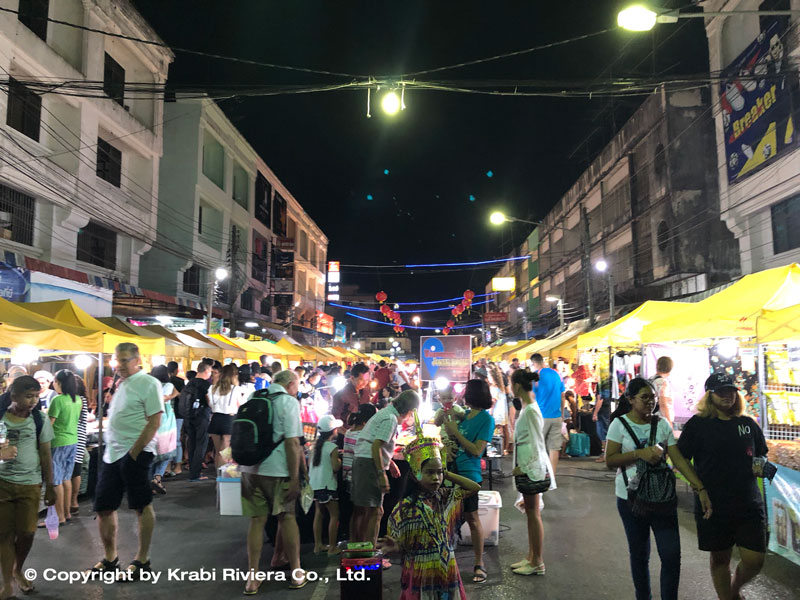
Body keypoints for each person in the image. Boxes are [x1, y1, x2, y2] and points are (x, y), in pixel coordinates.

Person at [606, 377, 711, 600]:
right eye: (644, 398)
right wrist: (639, 453)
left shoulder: (661, 424)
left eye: (653, 398)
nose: (650, 402)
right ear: (630, 399)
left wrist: (700, 488)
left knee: (672, 555)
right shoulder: (619, 425)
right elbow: (610, 460)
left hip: (662, 498)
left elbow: (679, 460)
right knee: (640, 554)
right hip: (630, 499)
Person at [677, 374, 768, 600]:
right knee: (720, 558)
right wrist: (699, 488)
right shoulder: (697, 425)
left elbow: (761, 454)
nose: (727, 395)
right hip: (713, 504)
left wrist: (761, 466)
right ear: (709, 395)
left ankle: (735, 588)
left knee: (754, 560)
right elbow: (680, 459)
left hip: (748, 503)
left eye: (731, 391)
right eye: (721, 391)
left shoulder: (747, 424)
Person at [90, 343, 163, 578]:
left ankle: (142, 559)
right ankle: (110, 558)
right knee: (103, 506)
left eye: (124, 360)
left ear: (137, 360)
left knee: (141, 504)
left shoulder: (149, 383)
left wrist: (135, 453)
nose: (119, 365)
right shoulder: (121, 383)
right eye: (116, 360)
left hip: (135, 452)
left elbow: (154, 421)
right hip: (112, 452)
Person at [378, 438, 480, 600]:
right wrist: (396, 547)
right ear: (415, 475)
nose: (436, 478)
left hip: (447, 571)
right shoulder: (403, 509)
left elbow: (474, 487)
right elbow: (400, 547)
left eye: (439, 473)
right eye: (429, 472)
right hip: (420, 574)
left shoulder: (444, 497)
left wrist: (445, 472)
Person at [239, 370, 306, 593]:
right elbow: (293, 443)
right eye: (296, 387)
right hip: (276, 470)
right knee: (287, 517)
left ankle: (252, 579)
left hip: (249, 469)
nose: (297, 391)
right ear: (289, 384)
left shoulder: (254, 397)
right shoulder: (288, 402)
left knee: (256, 521)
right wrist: (296, 478)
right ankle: (296, 573)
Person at [0, 376, 56, 599]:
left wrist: (50, 486)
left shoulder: (39, 420)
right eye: (28, 396)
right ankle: (7, 584)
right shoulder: (1, 418)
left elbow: (45, 453)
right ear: (14, 396)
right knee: (3, 535)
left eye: (36, 396)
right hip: (2, 483)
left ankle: (18, 569)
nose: (33, 400)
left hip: (30, 484)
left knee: (27, 532)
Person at [351, 391, 419, 556]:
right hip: (369, 463)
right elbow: (376, 446)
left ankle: (359, 551)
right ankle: (369, 553)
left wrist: (391, 462)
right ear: (409, 409)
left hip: (364, 460)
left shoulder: (385, 413)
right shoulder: (390, 419)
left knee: (365, 509)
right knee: (375, 511)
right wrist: (382, 474)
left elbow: (376, 443)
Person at [442, 379, 495, 584]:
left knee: (472, 518)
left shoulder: (485, 419)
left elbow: (476, 450)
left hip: (469, 475)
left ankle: (479, 563)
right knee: (449, 519)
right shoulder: (463, 415)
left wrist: (455, 432)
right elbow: (455, 441)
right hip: (452, 471)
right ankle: (446, 561)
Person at [510, 369, 556, 576]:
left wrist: (527, 468)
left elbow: (537, 444)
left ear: (517, 386)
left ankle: (537, 561)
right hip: (529, 467)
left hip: (532, 469)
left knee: (533, 514)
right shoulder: (528, 408)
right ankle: (531, 557)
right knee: (531, 514)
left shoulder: (529, 411)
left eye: (512, 384)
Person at [43, 369, 81, 526]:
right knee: (66, 478)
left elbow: (49, 425)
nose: (53, 384)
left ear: (60, 383)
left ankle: (59, 517)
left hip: (58, 443)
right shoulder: (77, 399)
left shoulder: (57, 401)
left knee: (56, 481)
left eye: (55, 381)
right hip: (72, 441)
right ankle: (66, 513)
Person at [342, 403, 377, 541]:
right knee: (363, 512)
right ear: (366, 422)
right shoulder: (361, 436)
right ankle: (360, 542)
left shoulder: (349, 432)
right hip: (357, 476)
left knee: (357, 511)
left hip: (349, 477)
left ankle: (353, 541)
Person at [310, 414, 343, 556]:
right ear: (333, 431)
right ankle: (332, 547)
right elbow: (335, 467)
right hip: (327, 486)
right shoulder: (332, 447)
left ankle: (318, 545)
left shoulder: (315, 447)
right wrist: (340, 461)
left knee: (319, 513)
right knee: (334, 515)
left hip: (315, 485)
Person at [530, 353, 566, 474]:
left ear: (534, 363)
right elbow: (562, 395)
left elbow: (532, 397)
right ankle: (552, 477)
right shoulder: (556, 374)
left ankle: (539, 474)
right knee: (554, 449)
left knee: (539, 447)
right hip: (556, 416)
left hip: (541, 416)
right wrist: (562, 414)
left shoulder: (536, 376)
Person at [148, 366, 178, 495]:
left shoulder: (149, 385)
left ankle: (151, 480)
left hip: (149, 417)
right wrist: (173, 395)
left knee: (152, 451)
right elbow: (164, 397)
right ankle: (157, 477)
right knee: (166, 450)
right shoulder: (168, 385)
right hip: (165, 420)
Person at [208, 364, 243, 470]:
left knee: (218, 451)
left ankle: (219, 478)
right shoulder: (236, 389)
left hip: (215, 419)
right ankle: (224, 479)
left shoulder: (212, 388)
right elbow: (241, 404)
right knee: (225, 453)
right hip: (229, 420)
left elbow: (210, 403)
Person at [183, 363, 213, 482]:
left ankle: (192, 470)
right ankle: (195, 473)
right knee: (201, 444)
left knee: (191, 442)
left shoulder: (190, 382)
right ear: (206, 371)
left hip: (188, 416)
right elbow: (209, 400)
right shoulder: (206, 384)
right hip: (201, 416)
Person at [69, 376, 89, 516]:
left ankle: (72, 501)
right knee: (75, 471)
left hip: (73, 438)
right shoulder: (82, 399)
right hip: (80, 438)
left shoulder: (76, 400)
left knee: (71, 472)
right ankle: (73, 501)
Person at [487, 364, 510, 455]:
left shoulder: (493, 388)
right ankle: (505, 449)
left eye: (489, 376)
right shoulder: (501, 388)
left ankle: (498, 450)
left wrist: (490, 411)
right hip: (503, 412)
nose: (488, 378)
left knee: (497, 432)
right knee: (504, 429)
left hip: (497, 412)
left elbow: (493, 401)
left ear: (492, 377)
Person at [650, 356, 675, 429]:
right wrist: (669, 423)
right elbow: (663, 404)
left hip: (651, 417)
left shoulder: (651, 379)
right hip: (661, 420)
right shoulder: (663, 382)